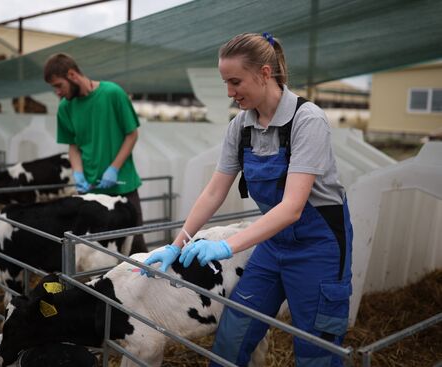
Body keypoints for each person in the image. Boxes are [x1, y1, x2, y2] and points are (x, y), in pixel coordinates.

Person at [142, 33, 353, 366]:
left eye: (235, 81)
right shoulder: (240, 126)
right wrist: (177, 243)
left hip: (318, 247)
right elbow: (214, 191)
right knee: (233, 333)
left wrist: (227, 246)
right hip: (273, 243)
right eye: (225, 82)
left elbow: (292, 207)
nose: (229, 92)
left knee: (317, 348)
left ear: (265, 73)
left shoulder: (307, 120)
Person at [44, 53, 147, 254]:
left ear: (72, 75)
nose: (57, 92)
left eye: (58, 85)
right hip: (90, 191)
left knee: (134, 247)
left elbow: (131, 134)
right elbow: (73, 146)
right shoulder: (66, 107)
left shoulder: (112, 93)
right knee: (94, 251)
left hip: (123, 187)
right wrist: (78, 173)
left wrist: (113, 169)